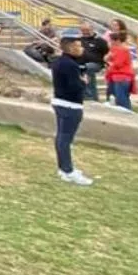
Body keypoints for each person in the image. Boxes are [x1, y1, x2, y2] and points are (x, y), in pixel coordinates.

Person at [51, 38, 94, 186]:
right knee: (65, 139)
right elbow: (74, 86)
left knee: (62, 137)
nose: (81, 48)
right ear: (70, 48)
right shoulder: (70, 65)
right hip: (70, 105)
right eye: (78, 46)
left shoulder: (60, 62)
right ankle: (68, 171)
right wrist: (83, 82)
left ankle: (63, 168)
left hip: (60, 102)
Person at [77, 23, 109, 101]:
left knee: (87, 68)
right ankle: (84, 95)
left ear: (92, 29)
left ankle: (92, 96)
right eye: (83, 30)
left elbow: (107, 53)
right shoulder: (79, 40)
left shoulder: (100, 41)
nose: (85, 32)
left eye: (87, 30)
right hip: (81, 63)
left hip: (96, 64)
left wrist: (106, 63)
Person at [105, 32, 135, 110]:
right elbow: (105, 59)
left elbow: (118, 64)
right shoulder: (113, 49)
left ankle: (127, 114)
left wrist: (110, 65)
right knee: (113, 97)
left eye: (111, 40)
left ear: (117, 41)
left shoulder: (123, 49)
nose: (110, 42)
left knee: (121, 98)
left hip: (122, 77)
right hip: (114, 76)